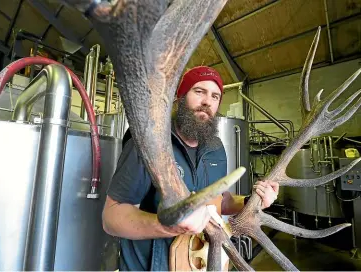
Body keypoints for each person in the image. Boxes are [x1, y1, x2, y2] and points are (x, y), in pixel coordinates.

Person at [102, 66, 279, 271]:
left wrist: (252, 200)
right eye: (199, 91)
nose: (207, 101)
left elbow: (219, 200)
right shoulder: (149, 143)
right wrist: (167, 226)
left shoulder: (215, 148)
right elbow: (111, 218)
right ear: (181, 96)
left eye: (215, 96)